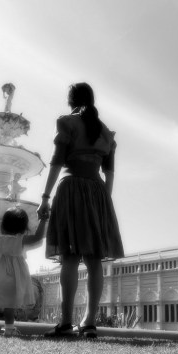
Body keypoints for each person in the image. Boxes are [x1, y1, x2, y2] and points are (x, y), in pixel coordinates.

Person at [37, 82, 124, 339]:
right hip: (97, 192)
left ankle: (65, 322)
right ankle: (88, 323)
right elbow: (109, 173)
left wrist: (44, 197)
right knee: (94, 259)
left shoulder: (67, 123)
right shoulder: (106, 133)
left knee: (70, 257)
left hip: (72, 188)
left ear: (71, 100)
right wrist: (104, 202)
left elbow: (56, 162)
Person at [0, 208, 46, 337]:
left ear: (4, 224)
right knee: (10, 304)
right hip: (13, 277)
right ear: (23, 227)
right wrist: (43, 220)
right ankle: (9, 328)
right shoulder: (20, 240)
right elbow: (38, 237)